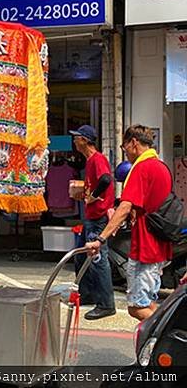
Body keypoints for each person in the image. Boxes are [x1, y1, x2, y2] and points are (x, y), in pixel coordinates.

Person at [86, 125, 173, 321]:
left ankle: (169, 345)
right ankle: (154, 349)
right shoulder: (161, 166)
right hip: (158, 246)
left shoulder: (141, 167)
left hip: (146, 247)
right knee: (149, 302)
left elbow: (124, 207)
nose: (124, 151)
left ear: (133, 142)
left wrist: (101, 238)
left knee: (137, 307)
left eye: (124, 146)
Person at [69, 124, 116, 320]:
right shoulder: (89, 161)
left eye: (77, 137)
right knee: (81, 257)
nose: (74, 140)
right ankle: (87, 293)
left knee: (97, 260)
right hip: (91, 216)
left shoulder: (97, 159)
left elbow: (105, 179)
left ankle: (106, 304)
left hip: (98, 218)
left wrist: (94, 196)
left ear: (86, 140)